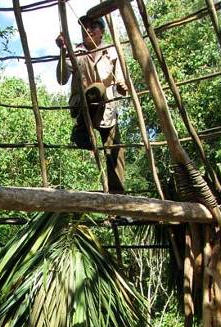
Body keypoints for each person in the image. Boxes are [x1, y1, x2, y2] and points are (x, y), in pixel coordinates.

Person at [55, 14, 127, 193]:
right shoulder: (76, 52)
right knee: (96, 89)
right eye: (84, 27)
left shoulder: (111, 51)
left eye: (92, 26)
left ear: (102, 31)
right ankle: (82, 130)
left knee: (116, 151)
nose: (88, 30)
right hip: (83, 107)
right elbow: (62, 79)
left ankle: (118, 199)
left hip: (107, 109)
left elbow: (121, 79)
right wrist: (63, 50)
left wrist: (122, 86)